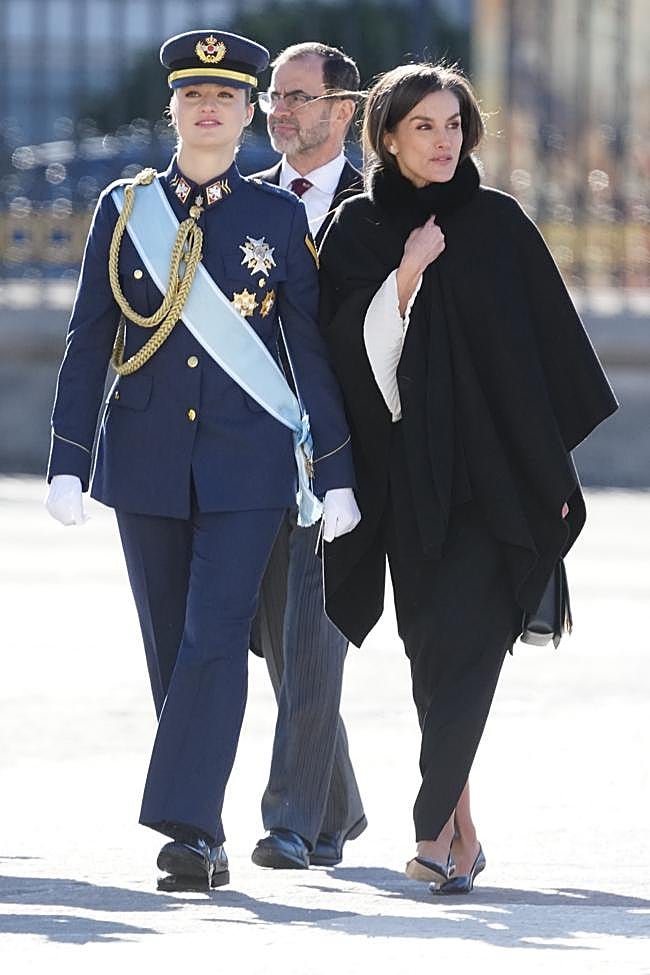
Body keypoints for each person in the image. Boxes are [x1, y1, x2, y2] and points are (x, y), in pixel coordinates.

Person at [44, 28, 361, 892]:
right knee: (169, 646)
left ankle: (187, 830)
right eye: (194, 96)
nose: (209, 108)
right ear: (174, 108)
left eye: (225, 96)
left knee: (214, 635)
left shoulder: (277, 217)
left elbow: (307, 353)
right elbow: (89, 339)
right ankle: (205, 825)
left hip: (247, 466)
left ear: (248, 111)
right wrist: (69, 457)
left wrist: (334, 472)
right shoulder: (125, 207)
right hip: (144, 458)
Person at [318, 62, 617, 894]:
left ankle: (431, 831)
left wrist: (551, 472)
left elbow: (547, 354)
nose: (443, 140)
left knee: (470, 647)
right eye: (424, 126)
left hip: (499, 482)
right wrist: (407, 275)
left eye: (453, 124)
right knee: (432, 652)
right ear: (387, 136)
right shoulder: (357, 229)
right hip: (409, 481)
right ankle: (464, 833)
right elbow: (347, 360)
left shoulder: (499, 223)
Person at [248, 42, 367, 870]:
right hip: (254, 457)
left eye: (297, 96)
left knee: (315, 631)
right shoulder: (244, 203)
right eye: (273, 97)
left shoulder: (381, 209)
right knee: (277, 638)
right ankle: (339, 809)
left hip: (346, 461)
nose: (279, 111)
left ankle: (290, 819)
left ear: (343, 109)